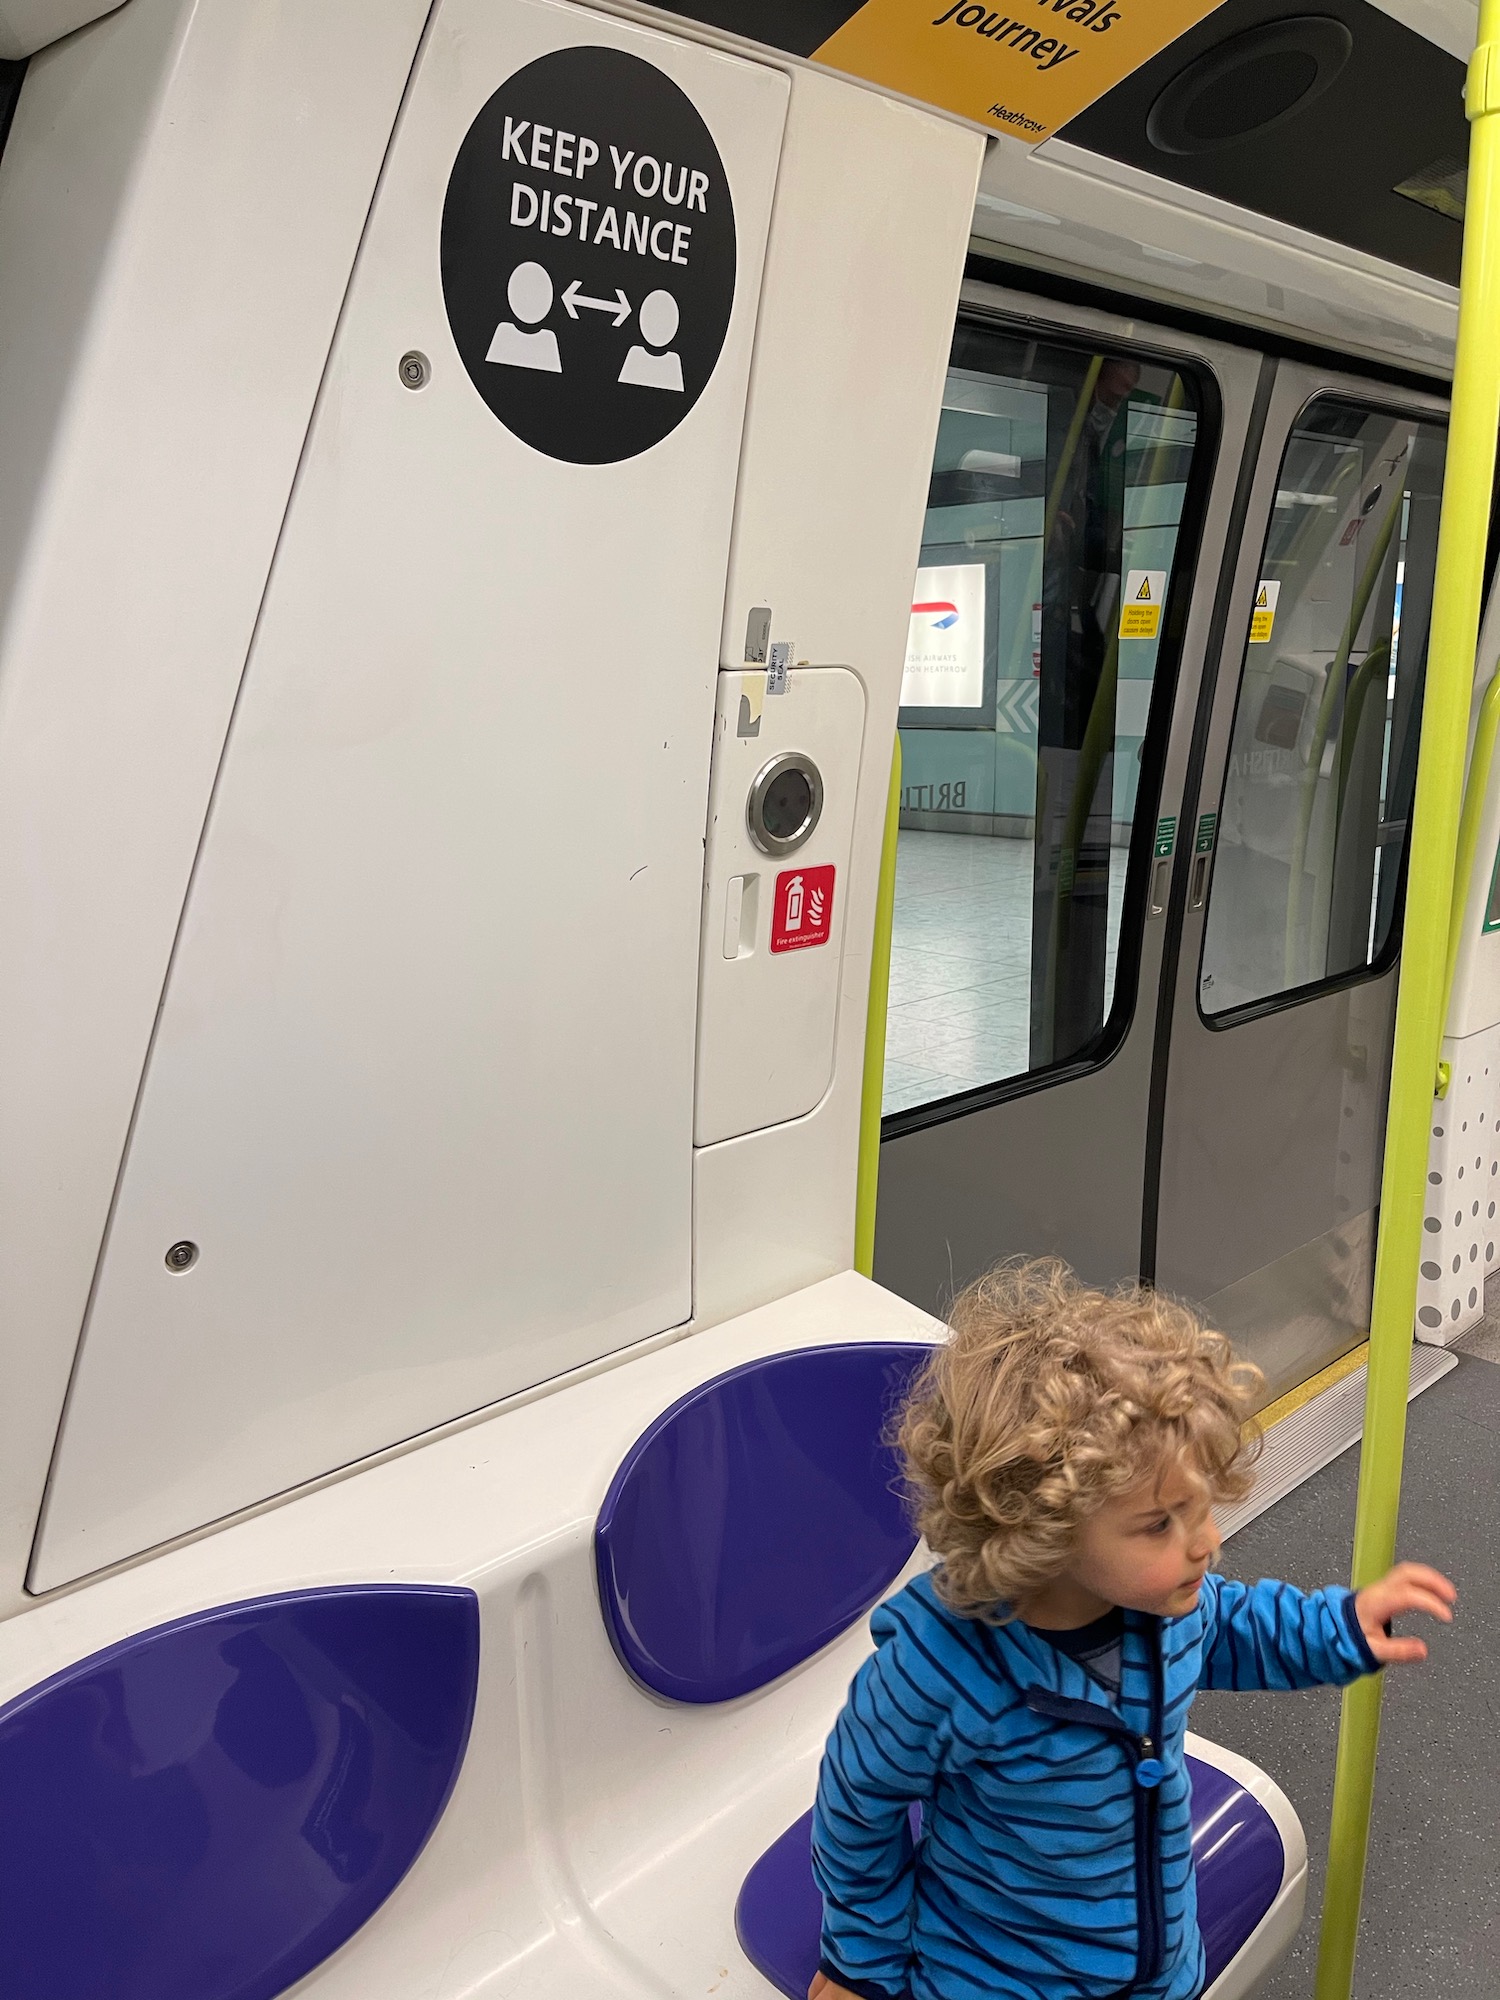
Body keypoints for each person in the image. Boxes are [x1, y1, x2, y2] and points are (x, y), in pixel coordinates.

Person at [810, 1260, 1456, 2000]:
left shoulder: (1166, 1607)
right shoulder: (938, 1670)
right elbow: (859, 1808)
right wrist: (858, 1960)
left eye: (1202, 1506)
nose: (1206, 1542)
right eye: (1159, 1524)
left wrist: (1338, 1627)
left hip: (1159, 1966)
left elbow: (1236, 1628)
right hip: (997, 1977)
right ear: (1041, 1527)